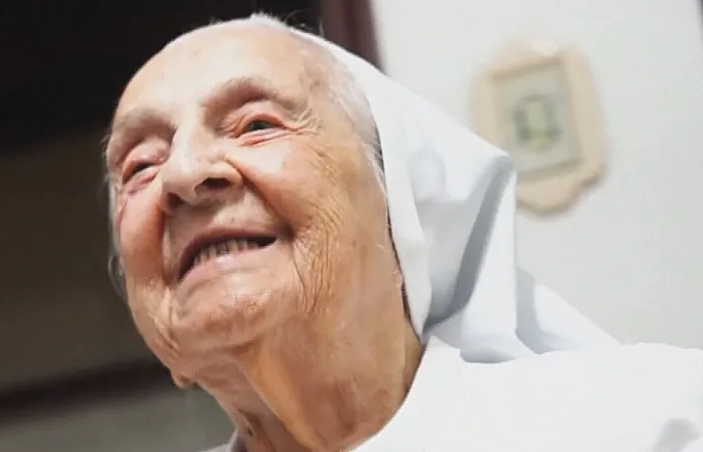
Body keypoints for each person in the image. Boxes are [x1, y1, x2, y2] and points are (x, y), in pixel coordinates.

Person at [102, 13, 703, 452]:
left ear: (401, 206)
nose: (183, 175)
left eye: (256, 124)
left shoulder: (652, 422)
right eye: (140, 166)